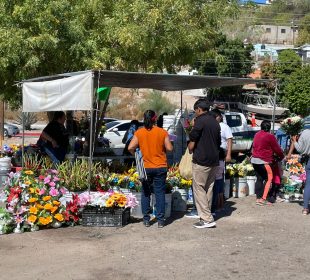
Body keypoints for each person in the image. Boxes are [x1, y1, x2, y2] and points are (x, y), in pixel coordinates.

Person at [128, 110, 173, 228]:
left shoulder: (139, 132)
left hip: (145, 168)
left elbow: (130, 147)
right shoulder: (162, 132)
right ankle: (160, 220)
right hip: (160, 167)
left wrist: (137, 155)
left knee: (146, 193)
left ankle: (146, 219)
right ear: (155, 118)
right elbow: (169, 148)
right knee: (159, 193)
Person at [188, 99, 221, 229]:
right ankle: (206, 216)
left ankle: (207, 219)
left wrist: (190, 147)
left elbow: (193, 137)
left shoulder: (200, 120)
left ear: (199, 109)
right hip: (214, 159)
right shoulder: (215, 121)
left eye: (195, 111)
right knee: (208, 188)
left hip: (201, 159)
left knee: (199, 188)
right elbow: (218, 141)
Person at [251, 120, 284, 206]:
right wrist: (281, 156)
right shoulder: (270, 136)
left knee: (259, 178)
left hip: (254, 160)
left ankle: (258, 198)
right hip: (264, 161)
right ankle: (263, 199)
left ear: (261, 127)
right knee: (269, 178)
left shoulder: (256, 134)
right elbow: (277, 149)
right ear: (269, 128)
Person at [210, 109, 233, 214]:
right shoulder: (211, 125)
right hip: (211, 154)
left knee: (219, 178)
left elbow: (229, 140)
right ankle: (217, 201)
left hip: (220, 154)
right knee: (215, 179)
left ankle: (219, 200)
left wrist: (228, 154)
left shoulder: (224, 126)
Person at [287, 128, 310, 215]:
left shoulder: (305, 133)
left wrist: (294, 141)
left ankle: (305, 209)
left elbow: (300, 149)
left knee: (308, 185)